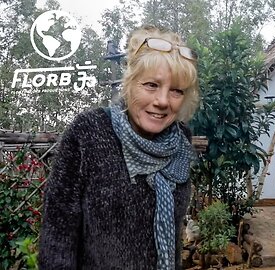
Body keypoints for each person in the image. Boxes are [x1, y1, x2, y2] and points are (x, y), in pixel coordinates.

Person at [38, 25, 199, 269]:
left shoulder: (181, 140)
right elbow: (57, 237)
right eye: (151, 85)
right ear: (130, 82)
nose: (163, 101)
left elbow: (173, 237)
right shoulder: (88, 132)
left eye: (176, 91)